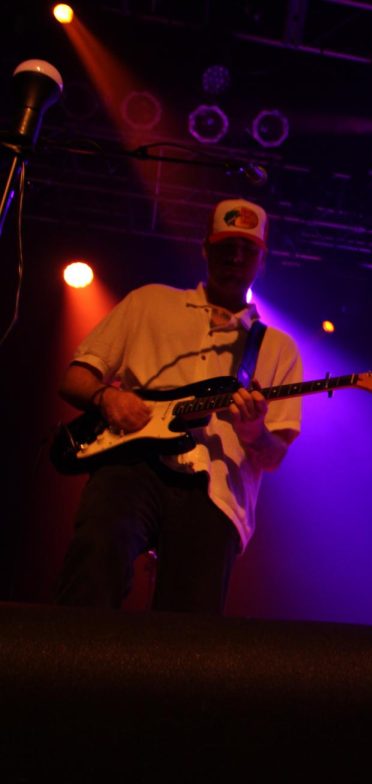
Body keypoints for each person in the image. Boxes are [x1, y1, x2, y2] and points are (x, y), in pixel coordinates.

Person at [55, 198, 302, 614]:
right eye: (225, 246)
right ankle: (68, 671)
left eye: (247, 249)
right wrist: (108, 396)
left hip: (217, 488)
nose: (235, 257)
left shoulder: (277, 347)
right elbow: (74, 378)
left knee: (187, 632)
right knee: (94, 566)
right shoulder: (150, 302)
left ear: (263, 260)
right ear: (204, 248)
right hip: (131, 464)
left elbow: (274, 455)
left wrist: (254, 433)